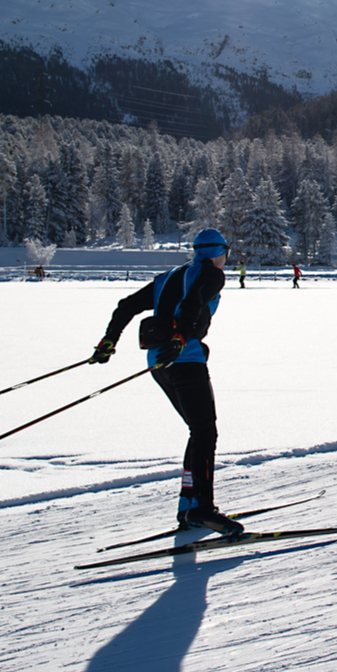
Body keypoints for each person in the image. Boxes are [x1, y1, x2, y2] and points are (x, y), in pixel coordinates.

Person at [90, 228, 243, 537]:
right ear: (220, 252)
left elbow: (126, 305)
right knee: (205, 431)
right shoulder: (211, 274)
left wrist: (109, 341)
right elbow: (193, 303)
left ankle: (189, 505)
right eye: (226, 253)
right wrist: (181, 337)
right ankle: (201, 508)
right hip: (185, 359)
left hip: (160, 365)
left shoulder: (169, 276)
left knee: (197, 430)